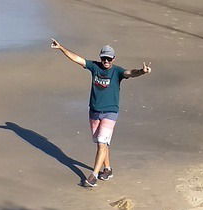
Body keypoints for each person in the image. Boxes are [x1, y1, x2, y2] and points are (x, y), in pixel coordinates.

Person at [50, 40, 151, 187]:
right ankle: (108, 169)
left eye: (109, 59)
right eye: (104, 58)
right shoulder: (94, 66)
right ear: (100, 57)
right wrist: (61, 48)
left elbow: (130, 73)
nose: (106, 61)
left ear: (113, 59)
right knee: (101, 143)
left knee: (102, 143)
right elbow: (77, 59)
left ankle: (94, 176)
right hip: (94, 111)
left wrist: (142, 71)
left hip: (110, 112)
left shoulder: (117, 72)